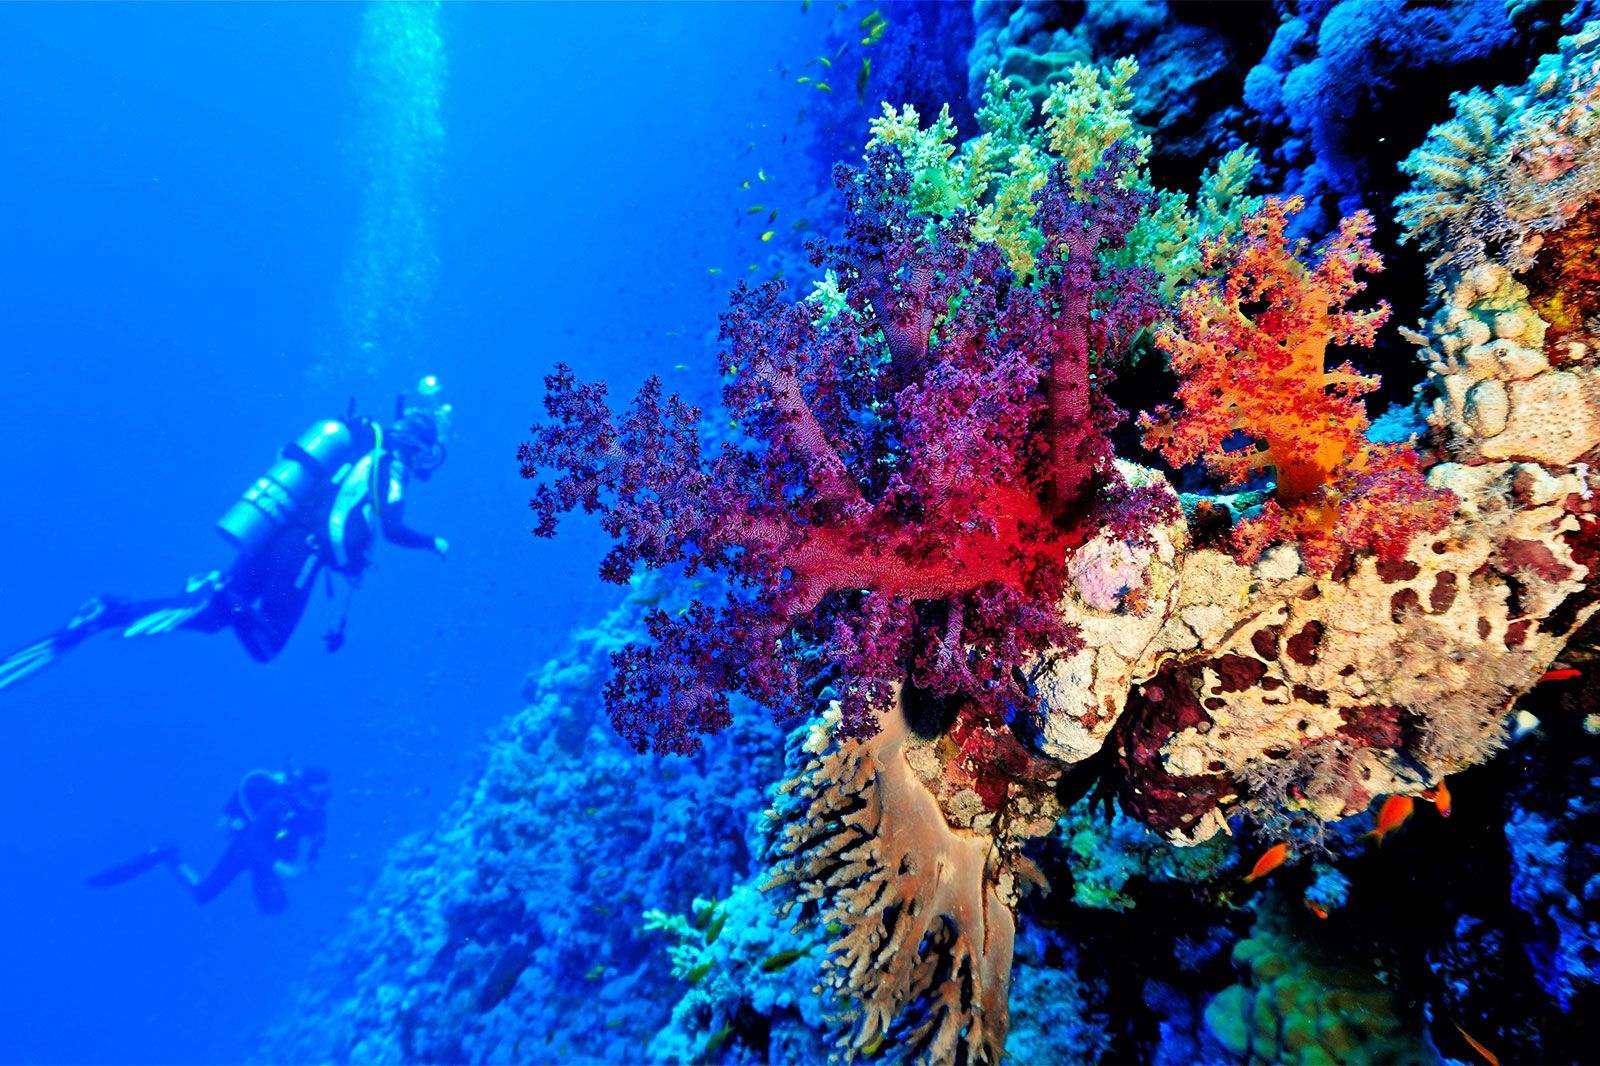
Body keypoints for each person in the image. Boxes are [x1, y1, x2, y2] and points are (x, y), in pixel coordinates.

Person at [0, 376, 451, 690]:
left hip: (275, 535)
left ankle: (110, 612)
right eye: (430, 455)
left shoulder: (358, 450)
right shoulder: (389, 465)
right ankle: (218, 591)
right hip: (303, 551)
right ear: (422, 446)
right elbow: (392, 528)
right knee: (266, 642)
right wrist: (434, 543)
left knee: (216, 619)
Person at [86, 765, 332, 915]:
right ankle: (168, 856)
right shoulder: (278, 804)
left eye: (324, 796)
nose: (319, 802)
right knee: (203, 894)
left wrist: (313, 861)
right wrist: (279, 867)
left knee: (274, 907)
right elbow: (251, 840)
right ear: (302, 790)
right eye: (316, 796)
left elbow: (319, 836)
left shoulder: (315, 811)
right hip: (247, 847)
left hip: (271, 850)